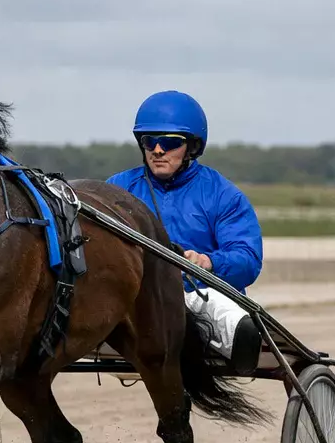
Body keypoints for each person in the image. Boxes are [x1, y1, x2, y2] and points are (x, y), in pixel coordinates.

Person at [107, 91, 264, 375]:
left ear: (192, 147)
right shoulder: (116, 189)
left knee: (217, 311)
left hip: (198, 296)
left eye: (168, 143)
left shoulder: (223, 195)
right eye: (149, 141)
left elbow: (248, 260)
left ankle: (242, 341)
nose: (157, 150)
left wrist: (208, 263)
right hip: (133, 304)